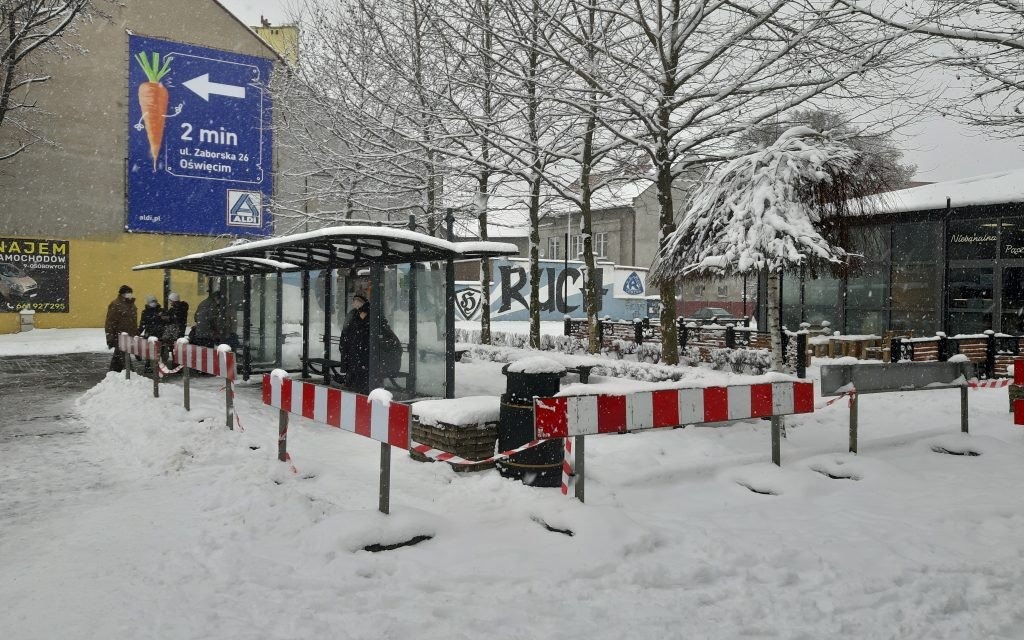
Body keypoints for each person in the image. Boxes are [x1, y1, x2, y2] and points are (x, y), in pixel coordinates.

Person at [338, 294, 402, 394]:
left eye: (358, 301)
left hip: (366, 358)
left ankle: (365, 393)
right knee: (360, 382)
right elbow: (347, 335)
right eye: (354, 301)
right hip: (359, 357)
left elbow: (384, 335)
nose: (355, 303)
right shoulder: (354, 315)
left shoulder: (372, 316)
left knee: (365, 383)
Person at [104, 284, 138, 372]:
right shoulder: (116, 305)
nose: (130, 294)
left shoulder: (131, 304)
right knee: (123, 356)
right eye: (128, 292)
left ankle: (114, 373)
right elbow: (110, 322)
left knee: (119, 357)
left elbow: (133, 322)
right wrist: (110, 337)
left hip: (129, 335)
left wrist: (135, 334)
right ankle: (129, 373)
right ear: (122, 294)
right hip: (119, 335)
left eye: (130, 292)